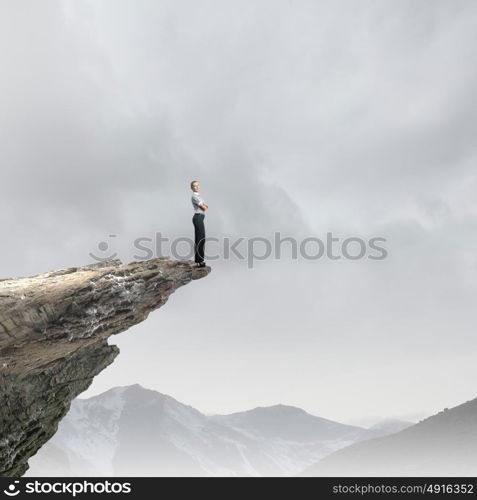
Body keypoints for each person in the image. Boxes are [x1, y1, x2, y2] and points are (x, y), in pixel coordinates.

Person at [190, 181, 208, 267]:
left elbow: (206, 206)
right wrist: (204, 205)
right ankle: (200, 261)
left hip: (200, 217)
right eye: (194, 186)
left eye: (198, 185)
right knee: (200, 239)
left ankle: (199, 260)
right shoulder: (194, 196)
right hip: (198, 217)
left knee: (201, 238)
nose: (196, 187)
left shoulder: (199, 196)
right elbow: (204, 207)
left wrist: (204, 206)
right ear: (192, 188)